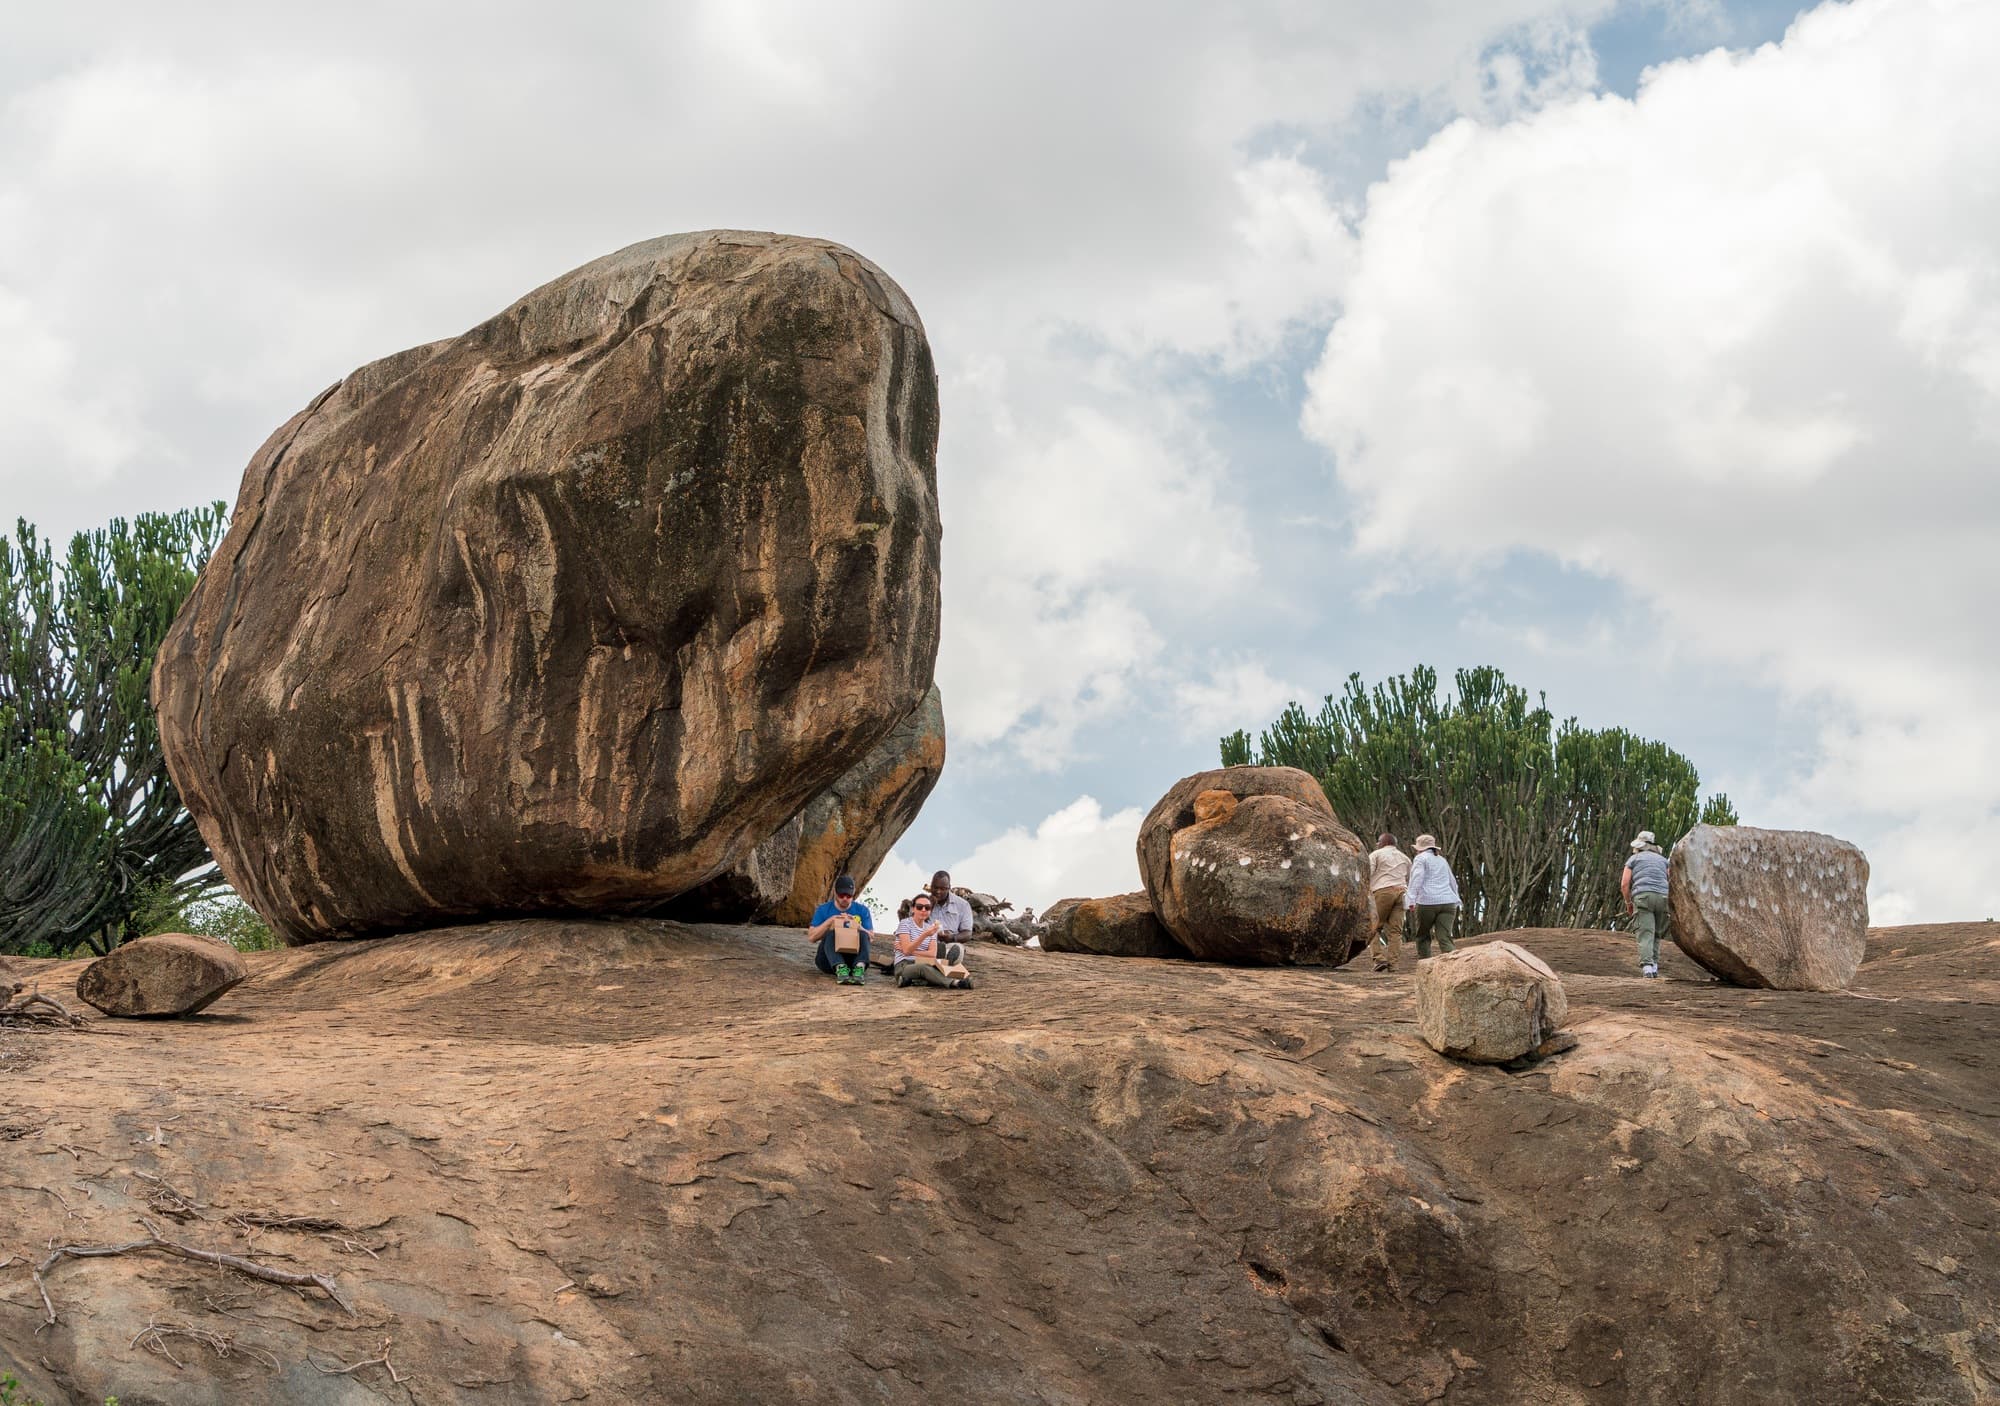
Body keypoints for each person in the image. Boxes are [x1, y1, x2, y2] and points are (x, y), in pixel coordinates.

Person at [892, 892, 974, 990]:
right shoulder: (905, 924)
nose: (923, 910)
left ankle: (912, 981)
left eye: (927, 908)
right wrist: (924, 935)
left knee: (939, 966)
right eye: (919, 907)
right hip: (904, 965)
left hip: (924, 962)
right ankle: (956, 983)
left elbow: (931, 954)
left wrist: (909, 950)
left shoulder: (931, 928)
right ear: (913, 908)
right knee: (924, 968)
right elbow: (907, 951)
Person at [806, 874, 873, 985]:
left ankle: (859, 969)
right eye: (841, 895)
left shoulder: (862, 910)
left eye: (848, 896)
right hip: (828, 961)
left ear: (853, 895)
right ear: (835, 893)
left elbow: (870, 937)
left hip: (852, 959)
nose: (845, 899)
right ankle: (840, 968)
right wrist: (830, 921)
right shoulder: (823, 909)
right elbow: (812, 937)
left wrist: (857, 926)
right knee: (831, 933)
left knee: (863, 934)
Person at [1405, 834, 1462, 958]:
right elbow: (1452, 881)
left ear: (1420, 848)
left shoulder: (1420, 858)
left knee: (1423, 935)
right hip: (1448, 902)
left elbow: (1416, 879)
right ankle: (1453, 963)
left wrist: (1411, 900)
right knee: (1445, 937)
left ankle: (1425, 963)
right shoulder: (1442, 860)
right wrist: (1456, 898)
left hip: (1427, 902)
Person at [1622, 830, 1670, 978]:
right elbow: (1671, 879)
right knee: (1657, 933)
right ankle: (1654, 966)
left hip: (1643, 897)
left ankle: (1647, 968)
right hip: (1663, 897)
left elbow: (1624, 884)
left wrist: (1628, 902)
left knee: (1645, 932)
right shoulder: (1663, 860)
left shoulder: (1633, 859)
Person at [1367, 832, 1412, 972]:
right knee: (1395, 931)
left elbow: (1368, 873)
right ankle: (1394, 965)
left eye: (1378, 841)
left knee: (1372, 927)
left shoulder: (1376, 854)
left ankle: (1379, 959)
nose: (1376, 844)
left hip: (1382, 891)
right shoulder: (1405, 858)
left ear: (1383, 842)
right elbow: (1410, 877)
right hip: (1402, 892)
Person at [926, 871, 976, 946]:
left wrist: (953, 937)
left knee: (956, 948)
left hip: (950, 944)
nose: (938, 891)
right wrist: (928, 908)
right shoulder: (922, 903)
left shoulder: (962, 905)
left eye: (942, 889)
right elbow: (913, 927)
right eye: (935, 887)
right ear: (931, 886)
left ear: (949, 887)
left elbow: (968, 933)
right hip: (926, 944)